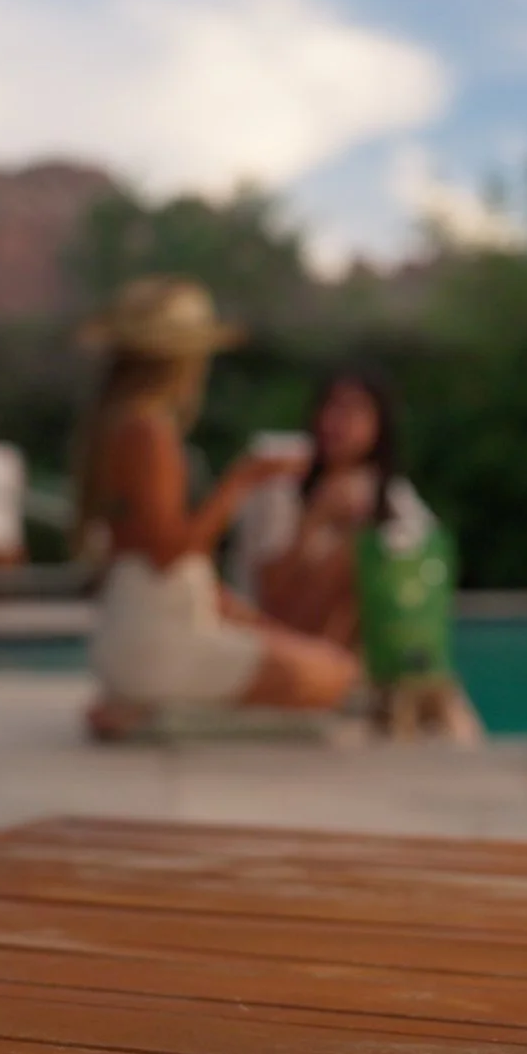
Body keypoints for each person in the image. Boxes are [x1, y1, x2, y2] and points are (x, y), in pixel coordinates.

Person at [71, 276, 360, 740]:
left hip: (143, 629)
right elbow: (169, 554)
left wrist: (257, 624)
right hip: (158, 641)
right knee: (335, 678)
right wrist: (244, 479)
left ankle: (147, 707)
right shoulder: (148, 432)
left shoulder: (119, 426)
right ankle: (161, 717)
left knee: (329, 665)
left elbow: (158, 552)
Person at [251, 368, 430, 649]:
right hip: (278, 629)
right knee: (357, 555)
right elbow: (266, 592)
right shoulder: (280, 475)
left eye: (355, 410)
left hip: (355, 641)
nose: (337, 421)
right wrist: (317, 518)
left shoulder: (391, 494)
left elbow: (420, 577)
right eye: (331, 405)